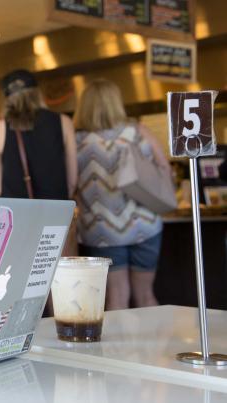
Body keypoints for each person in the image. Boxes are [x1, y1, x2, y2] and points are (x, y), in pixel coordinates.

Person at [73, 79, 170, 310]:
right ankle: (156, 347)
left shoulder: (77, 141)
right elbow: (165, 168)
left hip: (102, 231)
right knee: (146, 296)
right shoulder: (138, 132)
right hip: (145, 226)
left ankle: (124, 348)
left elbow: (69, 185)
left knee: (116, 298)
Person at [0, 69, 78, 201]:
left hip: (17, 214)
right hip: (55, 212)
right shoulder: (64, 122)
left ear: (7, 98)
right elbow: (72, 181)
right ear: (37, 93)